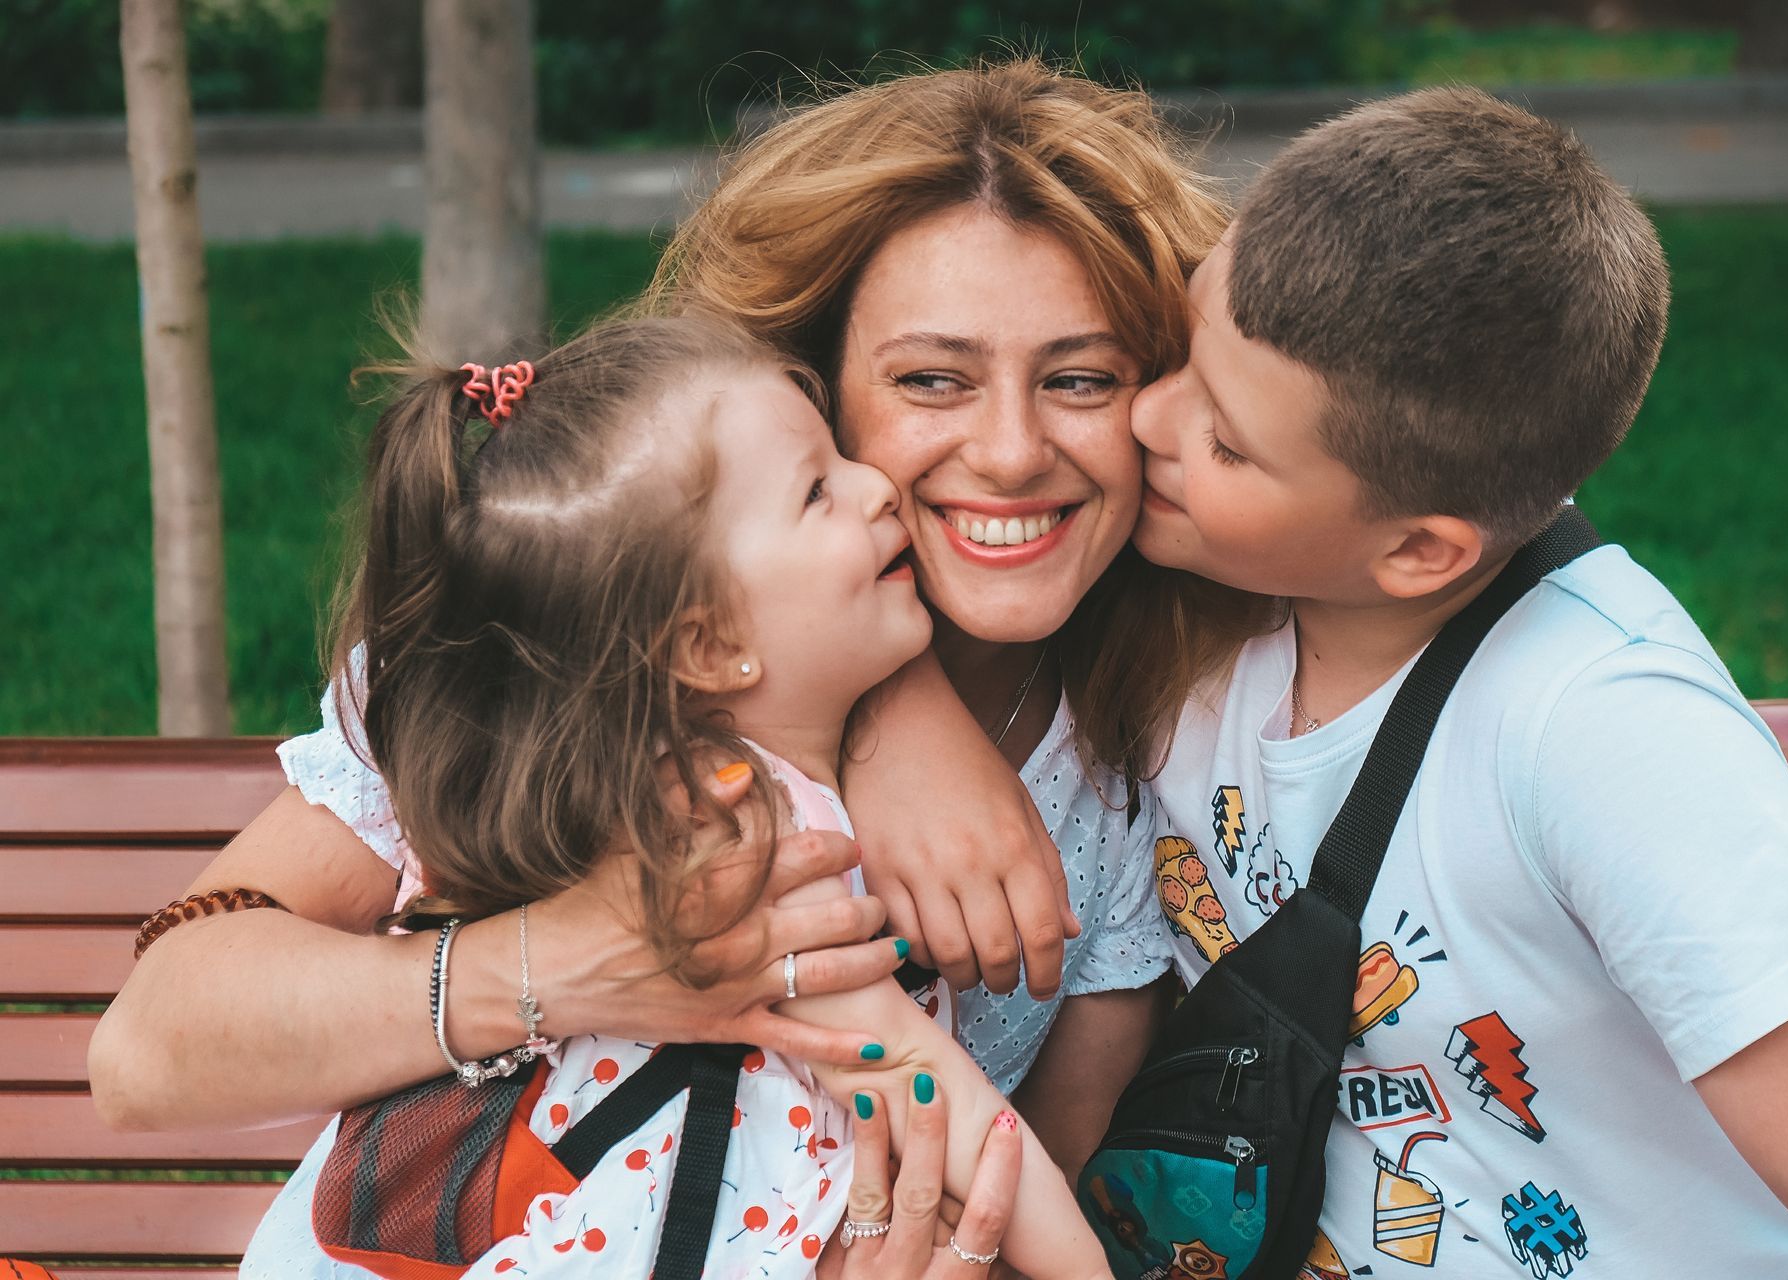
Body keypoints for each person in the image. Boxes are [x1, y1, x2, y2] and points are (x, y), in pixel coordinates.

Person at [89, 61, 1266, 1187]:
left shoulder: (1153, 748)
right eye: (930, 380)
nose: (1011, 453)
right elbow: (147, 1053)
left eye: (1080, 379)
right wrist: (567, 965)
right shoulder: (569, 653)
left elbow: (1039, 1187)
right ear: (804, 384)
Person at [1118, 87, 1788, 1275]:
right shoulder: (1198, 616)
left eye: (1227, 443)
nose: (1144, 415)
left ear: (1419, 551)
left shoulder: (1605, 729)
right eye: (1183, 353)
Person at [239, 314, 1106, 1277]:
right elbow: (912, 1075)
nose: (872, 486)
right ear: (707, 649)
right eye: (818, 491)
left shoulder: (620, 775)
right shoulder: (737, 829)